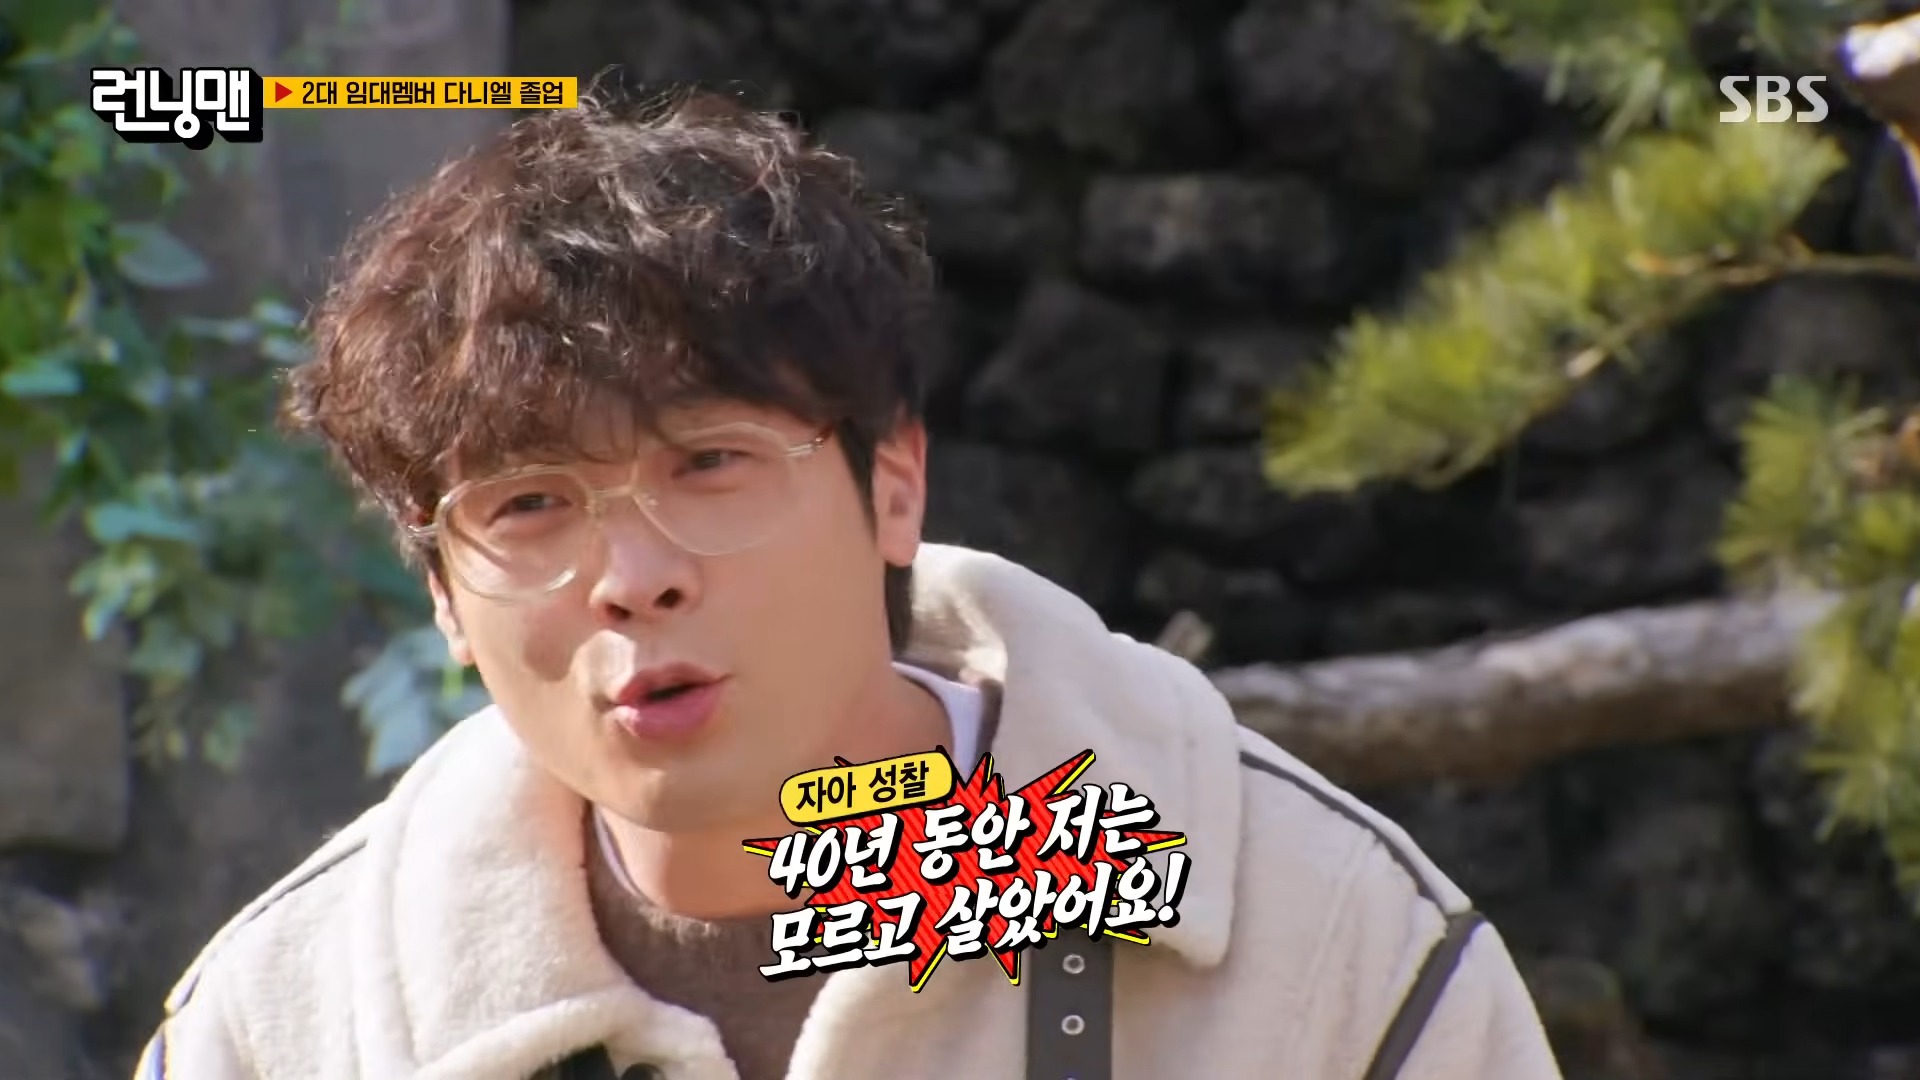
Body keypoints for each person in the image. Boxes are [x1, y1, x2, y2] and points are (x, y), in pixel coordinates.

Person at [135, 88, 1564, 1080]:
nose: (635, 579)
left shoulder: (1314, 934)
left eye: (711, 463)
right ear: (445, 594)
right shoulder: (289, 1024)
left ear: (893, 487)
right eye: (528, 505)